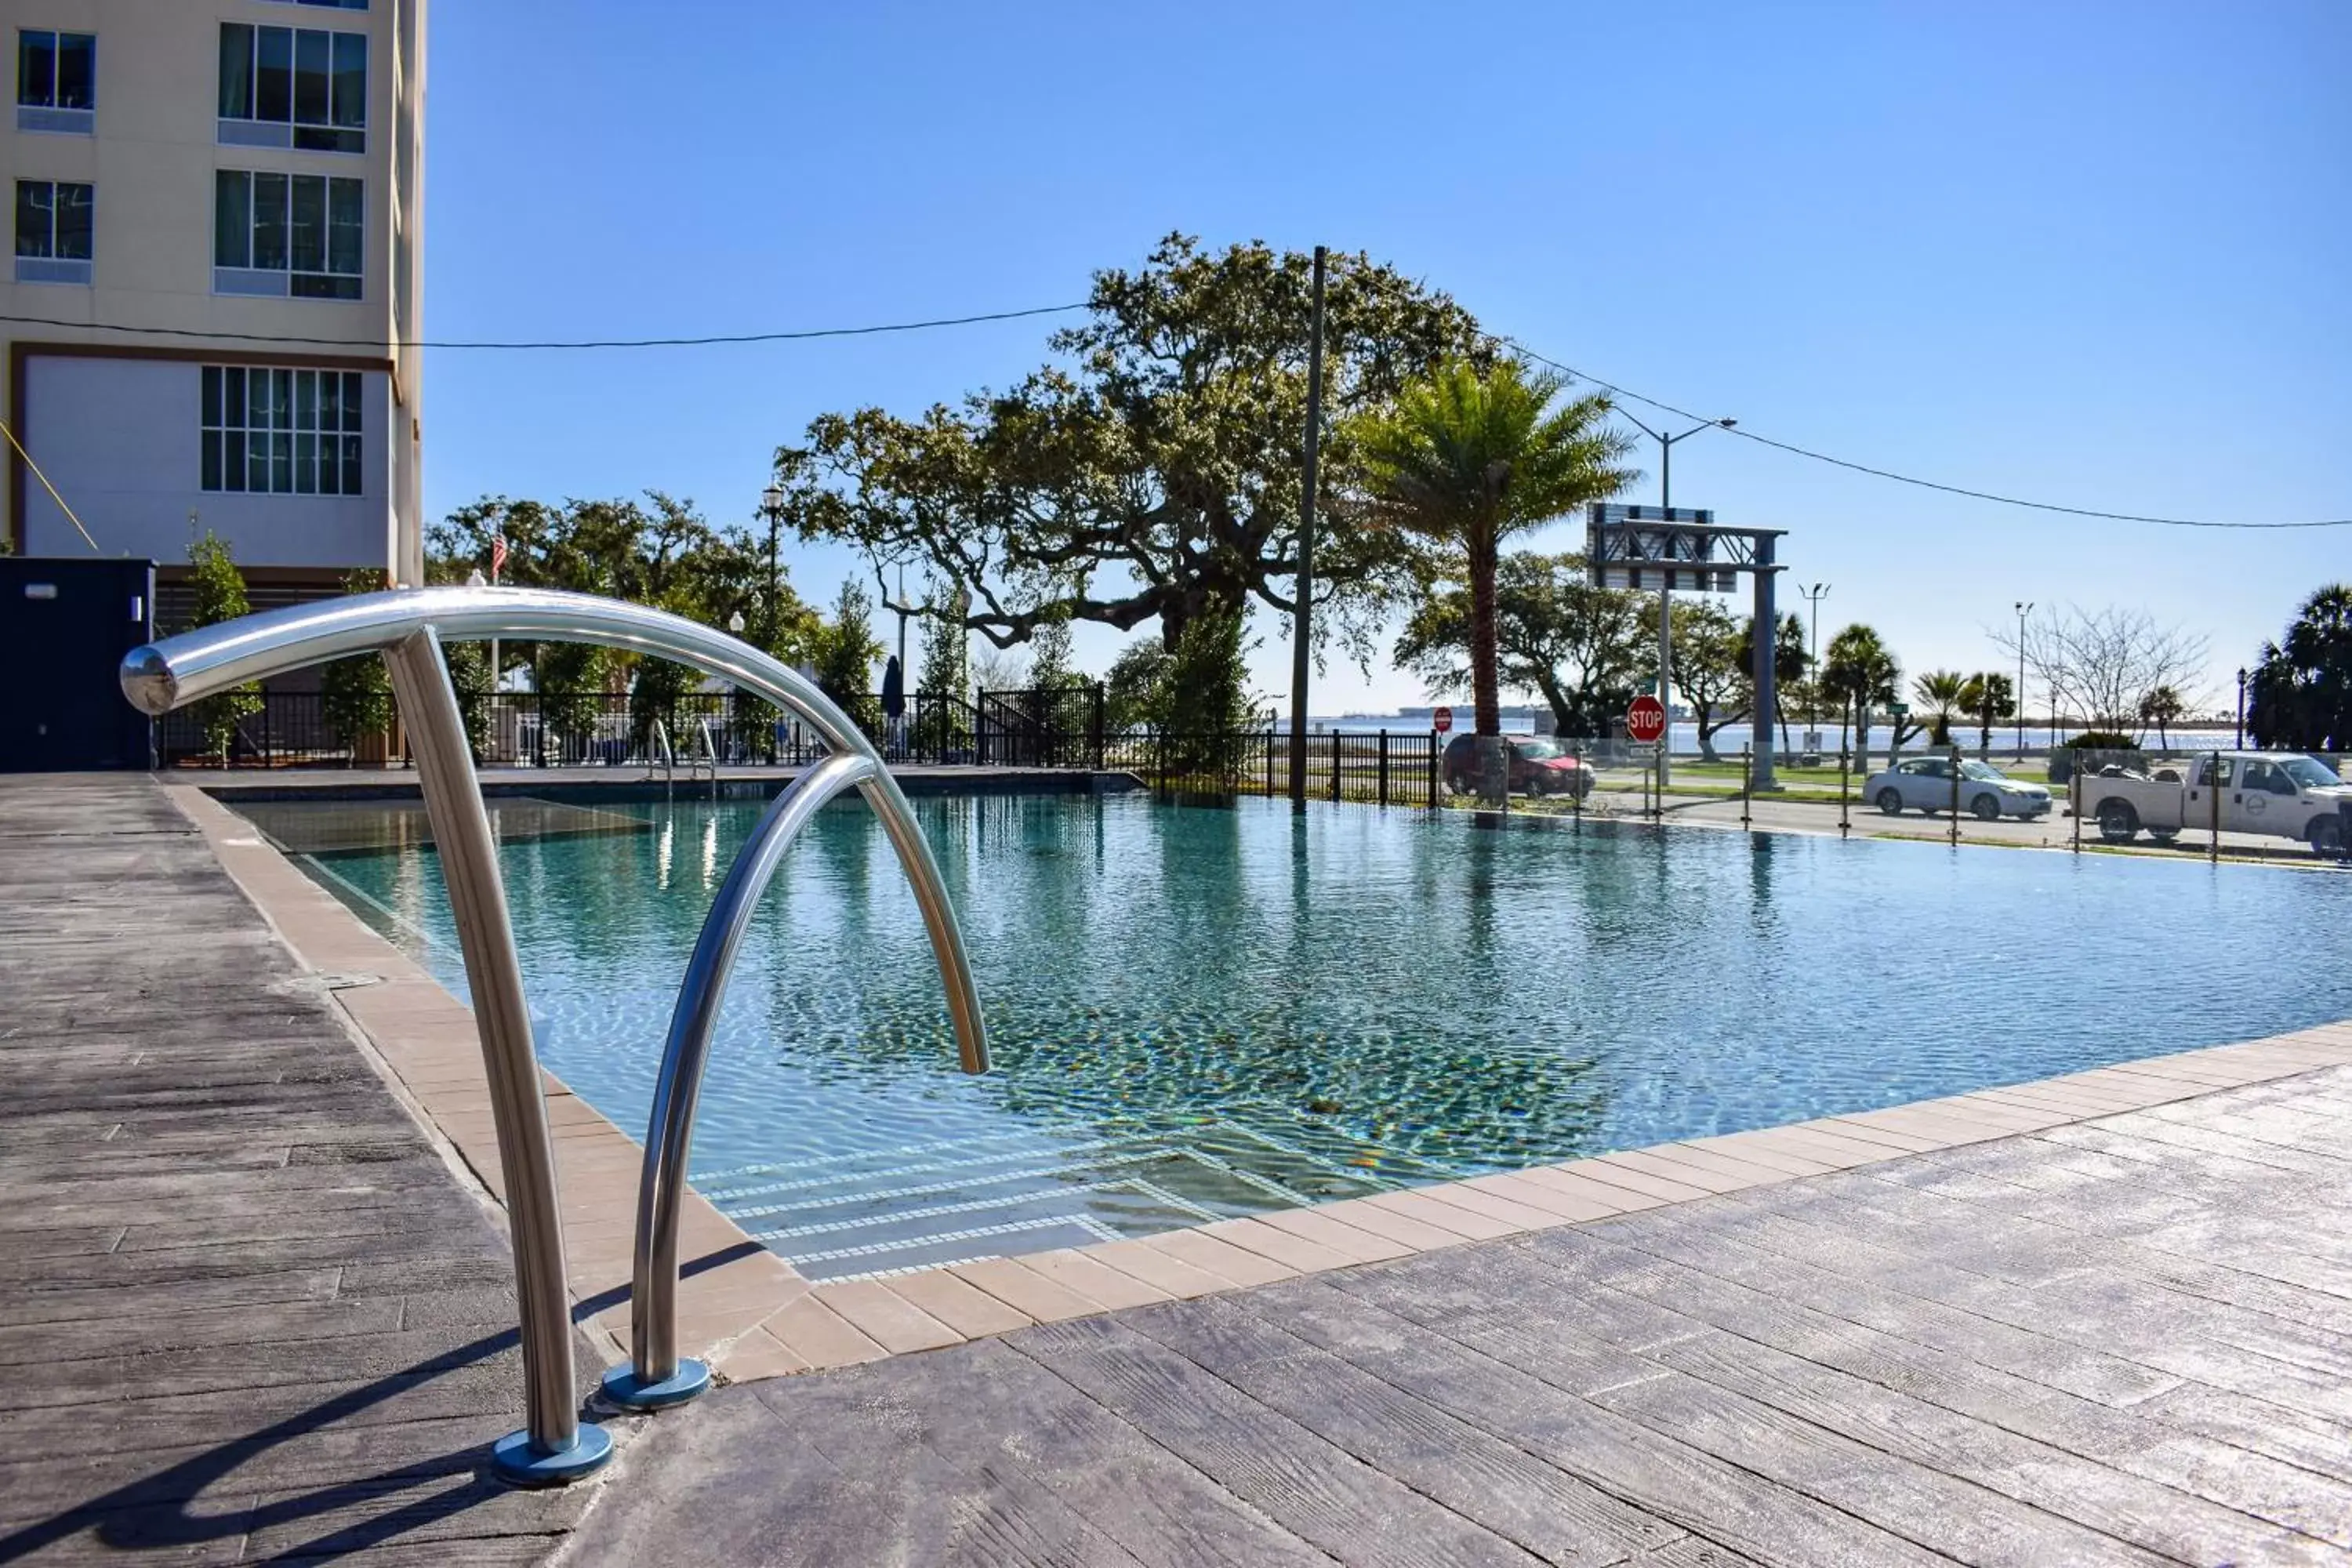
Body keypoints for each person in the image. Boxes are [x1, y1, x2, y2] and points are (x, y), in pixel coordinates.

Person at [880, 654, 907, 760]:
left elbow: (885, 688)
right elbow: (899, 690)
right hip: (896, 705)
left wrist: (884, 703)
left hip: (890, 705)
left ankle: (891, 749)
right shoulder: (897, 675)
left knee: (891, 728)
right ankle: (896, 750)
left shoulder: (889, 675)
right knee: (897, 729)